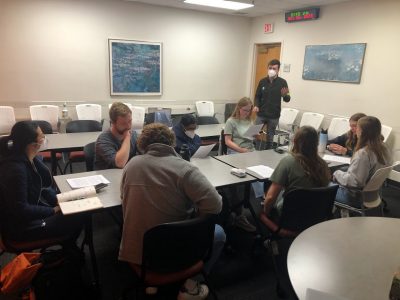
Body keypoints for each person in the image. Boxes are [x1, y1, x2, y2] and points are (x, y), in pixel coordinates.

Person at [119, 123, 225, 299]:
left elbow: (124, 198)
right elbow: (216, 206)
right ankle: (189, 283)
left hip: (138, 253)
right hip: (173, 252)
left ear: (142, 143)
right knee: (219, 233)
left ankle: (155, 283)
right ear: (171, 142)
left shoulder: (131, 165)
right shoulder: (185, 168)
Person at [0, 121, 84, 243]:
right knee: (78, 216)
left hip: (31, 215)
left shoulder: (31, 159)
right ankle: (67, 249)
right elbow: (21, 209)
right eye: (42, 136)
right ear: (32, 144)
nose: (45, 139)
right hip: (21, 228)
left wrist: (59, 200)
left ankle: (68, 248)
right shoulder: (15, 169)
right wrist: (53, 210)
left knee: (77, 209)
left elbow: (43, 187)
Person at [262, 126, 331, 220]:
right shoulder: (323, 165)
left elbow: (270, 198)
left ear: (295, 141)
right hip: (315, 216)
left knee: (267, 197)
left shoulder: (288, 162)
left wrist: (266, 213)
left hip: (289, 217)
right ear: (317, 143)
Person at [333, 116, 392, 209]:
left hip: (356, 198)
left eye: (357, 128)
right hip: (373, 195)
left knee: (323, 187)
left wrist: (336, 174)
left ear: (362, 131)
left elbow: (354, 183)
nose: (355, 130)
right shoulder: (384, 147)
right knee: (342, 170)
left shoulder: (363, 154)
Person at [224, 97, 258, 232]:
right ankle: (240, 212)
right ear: (239, 108)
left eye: (249, 110)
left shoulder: (250, 120)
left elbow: (252, 138)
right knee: (242, 177)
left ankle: (261, 201)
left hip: (250, 150)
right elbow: (228, 141)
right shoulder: (231, 121)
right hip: (236, 151)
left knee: (260, 173)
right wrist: (241, 150)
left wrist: (256, 134)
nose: (247, 113)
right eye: (245, 110)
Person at [253, 59, 291, 149]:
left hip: (274, 115)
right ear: (267, 68)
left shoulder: (283, 82)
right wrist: (256, 105)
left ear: (278, 70)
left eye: (274, 68)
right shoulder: (262, 81)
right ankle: (252, 150)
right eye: (270, 68)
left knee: (270, 138)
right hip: (261, 114)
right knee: (253, 133)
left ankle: (268, 155)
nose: (272, 70)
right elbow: (257, 96)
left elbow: (287, 99)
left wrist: (285, 95)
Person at [95, 102, 138, 170]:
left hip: (126, 175)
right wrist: (127, 137)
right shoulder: (103, 140)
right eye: (123, 123)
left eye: (130, 121)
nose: (128, 126)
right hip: (108, 177)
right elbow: (120, 163)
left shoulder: (134, 135)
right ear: (113, 123)